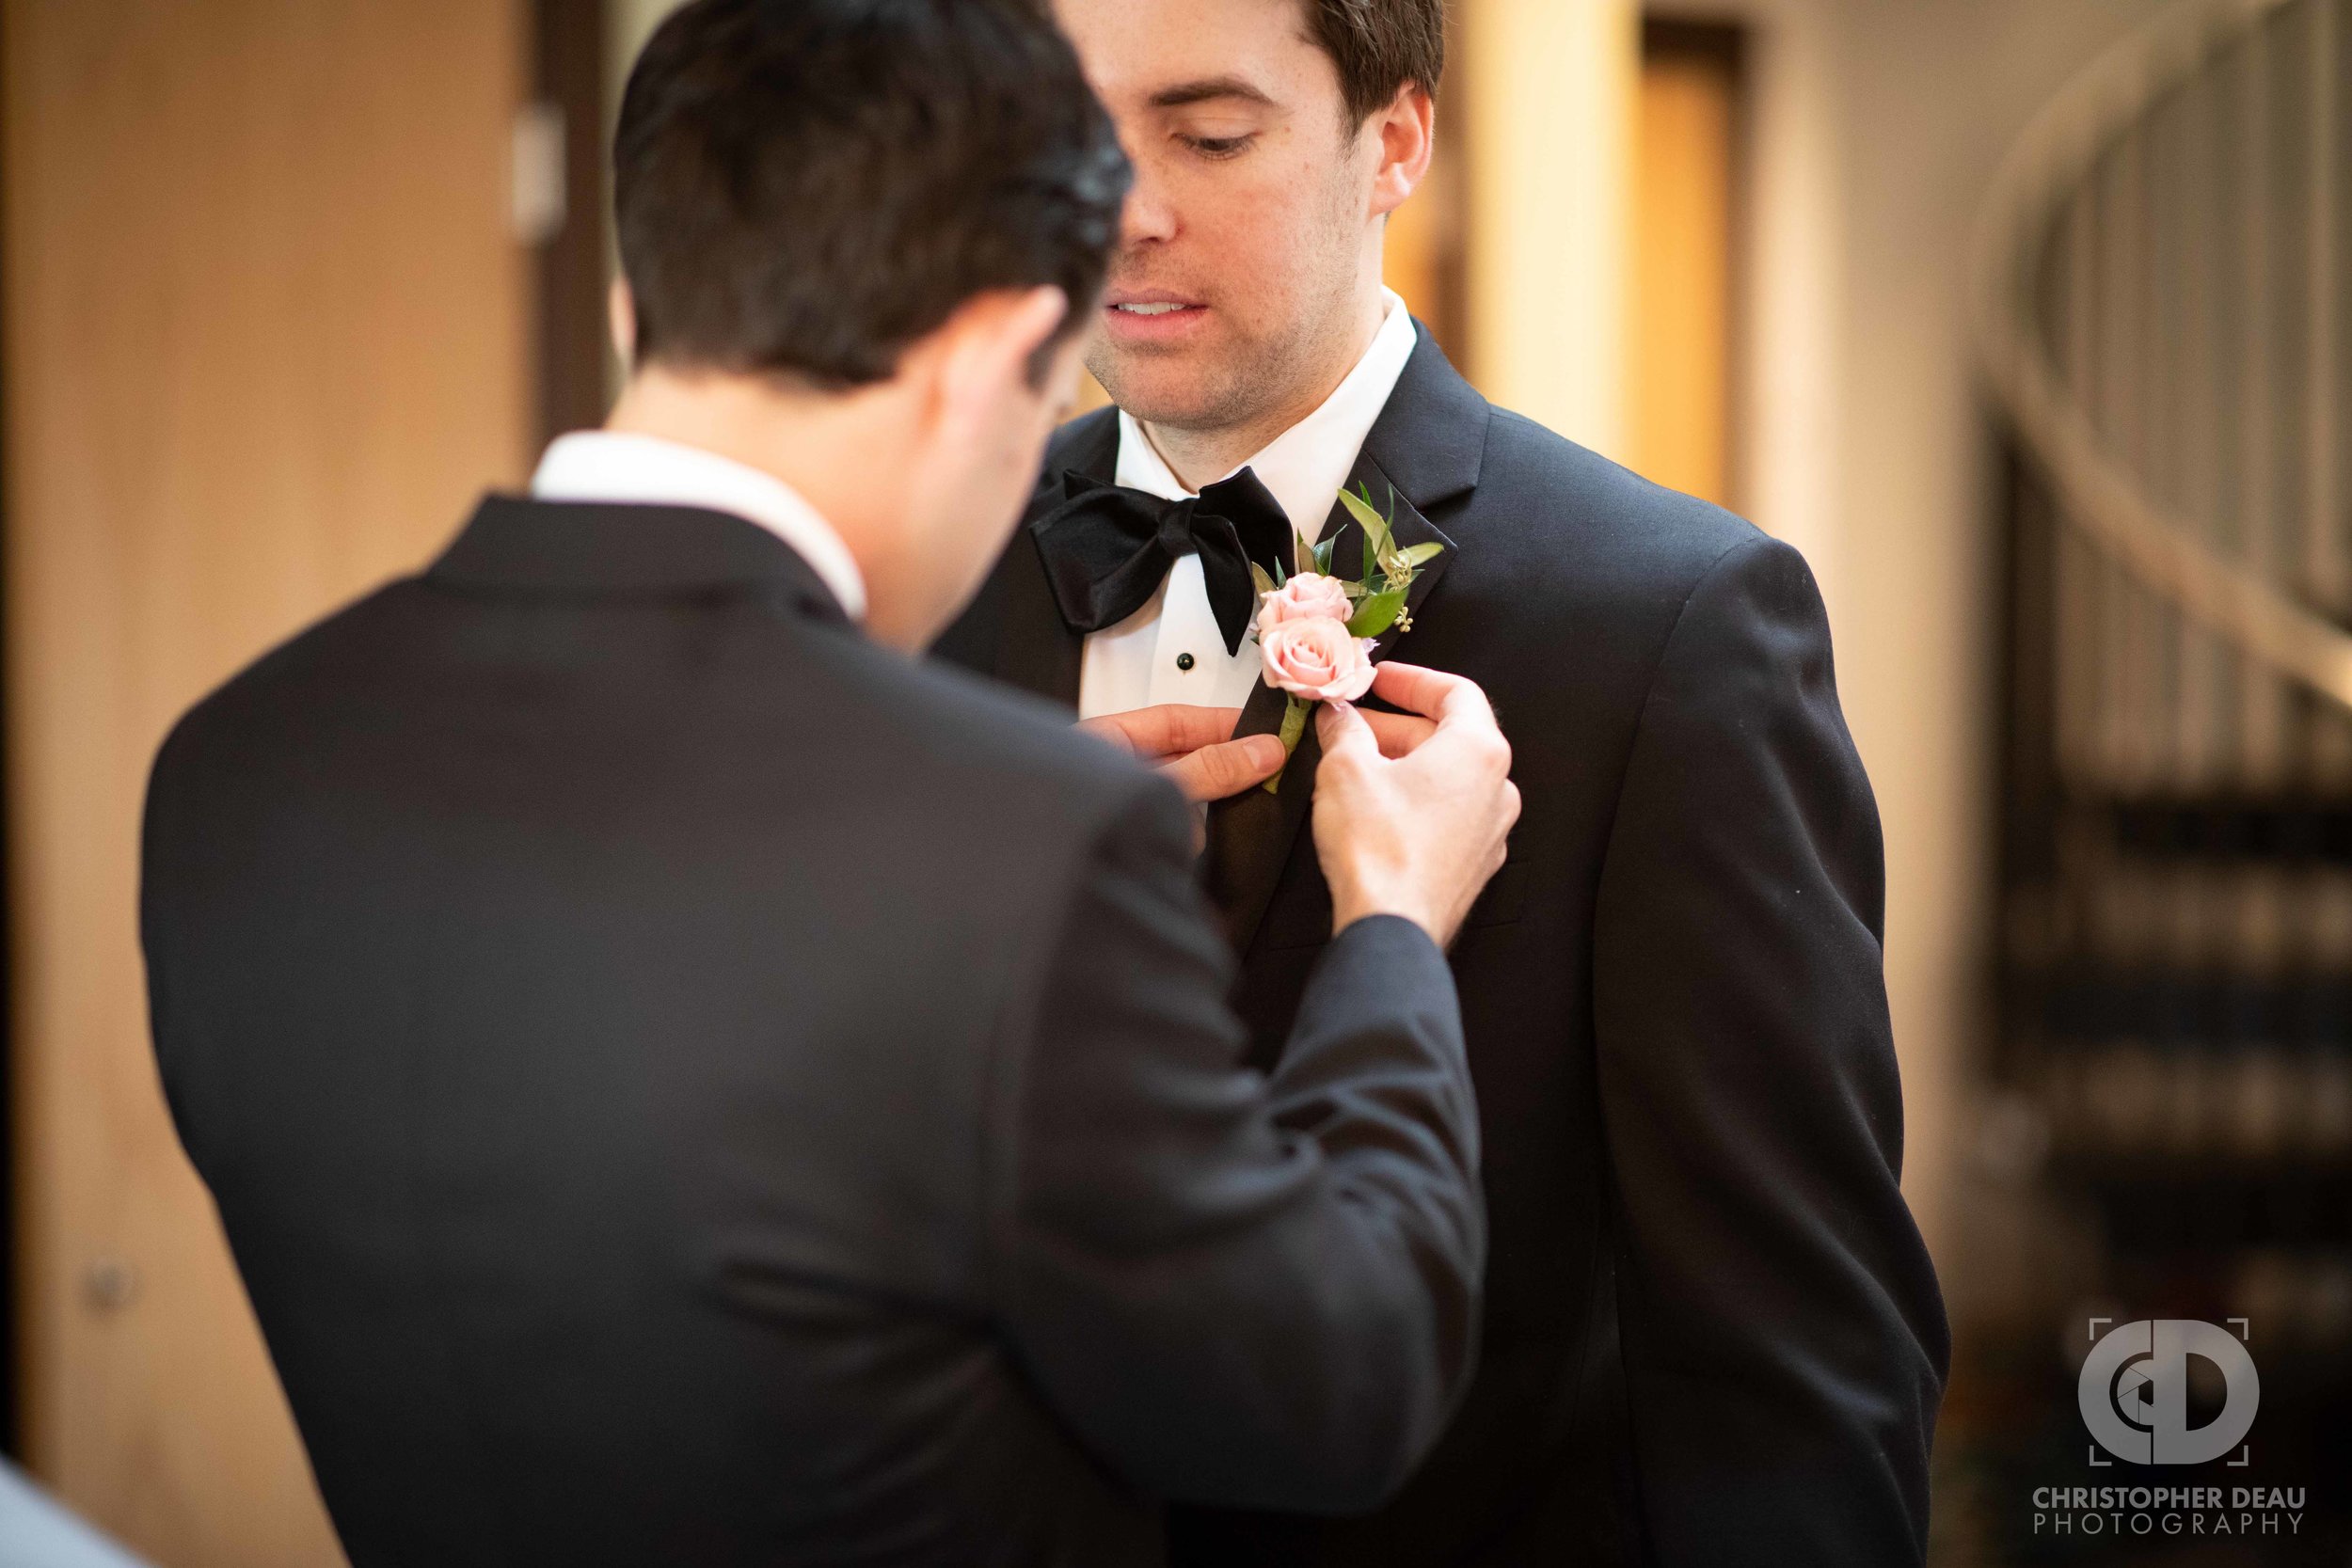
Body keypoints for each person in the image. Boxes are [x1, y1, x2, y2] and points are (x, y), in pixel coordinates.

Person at [138, 3, 1522, 1564]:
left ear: (630, 300)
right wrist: (1392, 925)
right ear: (1001, 356)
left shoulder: (234, 763)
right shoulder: (1009, 850)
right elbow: (1335, 1394)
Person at [933, 1, 1952, 1563]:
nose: (1119, 207)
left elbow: (1789, 1378)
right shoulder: (920, 570)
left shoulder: (1673, 624)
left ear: (1396, 139)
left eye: (1210, 136)